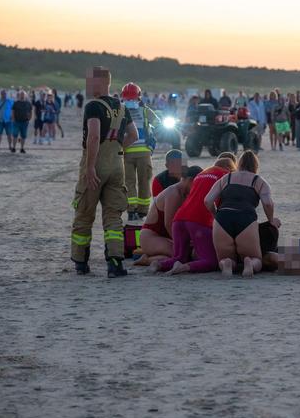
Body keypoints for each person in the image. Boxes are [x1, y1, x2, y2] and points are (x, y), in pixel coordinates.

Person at [70, 66, 138, 278]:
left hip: (96, 164)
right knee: (113, 216)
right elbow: (133, 135)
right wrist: (118, 149)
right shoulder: (121, 106)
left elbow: (93, 137)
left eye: (90, 81)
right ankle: (115, 264)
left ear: (100, 82)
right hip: (117, 165)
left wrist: (90, 167)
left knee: (84, 213)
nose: (88, 85)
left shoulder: (93, 107)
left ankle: (81, 263)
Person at [152, 157, 236, 275]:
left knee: (179, 257)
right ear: (229, 168)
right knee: (210, 261)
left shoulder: (202, 173)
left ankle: (159, 264)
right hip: (199, 221)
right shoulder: (227, 176)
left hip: (179, 219)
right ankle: (183, 268)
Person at [205, 151, 278, 277]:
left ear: (239, 163)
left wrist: (215, 214)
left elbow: (207, 200)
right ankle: (250, 263)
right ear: (256, 165)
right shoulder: (259, 181)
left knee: (224, 259)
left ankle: (227, 264)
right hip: (246, 218)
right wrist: (271, 220)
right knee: (257, 259)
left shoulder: (226, 178)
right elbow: (268, 203)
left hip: (222, 217)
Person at [136, 165, 203, 266]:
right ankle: (146, 260)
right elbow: (169, 224)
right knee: (181, 256)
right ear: (189, 180)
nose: (198, 187)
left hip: (166, 236)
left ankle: (149, 258)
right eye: (197, 184)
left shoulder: (185, 194)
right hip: (152, 237)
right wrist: (183, 242)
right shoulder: (174, 193)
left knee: (184, 255)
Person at [122, 82, 160, 221]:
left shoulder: (120, 110)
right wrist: (152, 136)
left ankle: (131, 211)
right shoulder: (145, 110)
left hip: (126, 152)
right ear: (139, 96)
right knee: (144, 181)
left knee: (129, 182)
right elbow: (158, 124)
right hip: (144, 152)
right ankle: (143, 211)